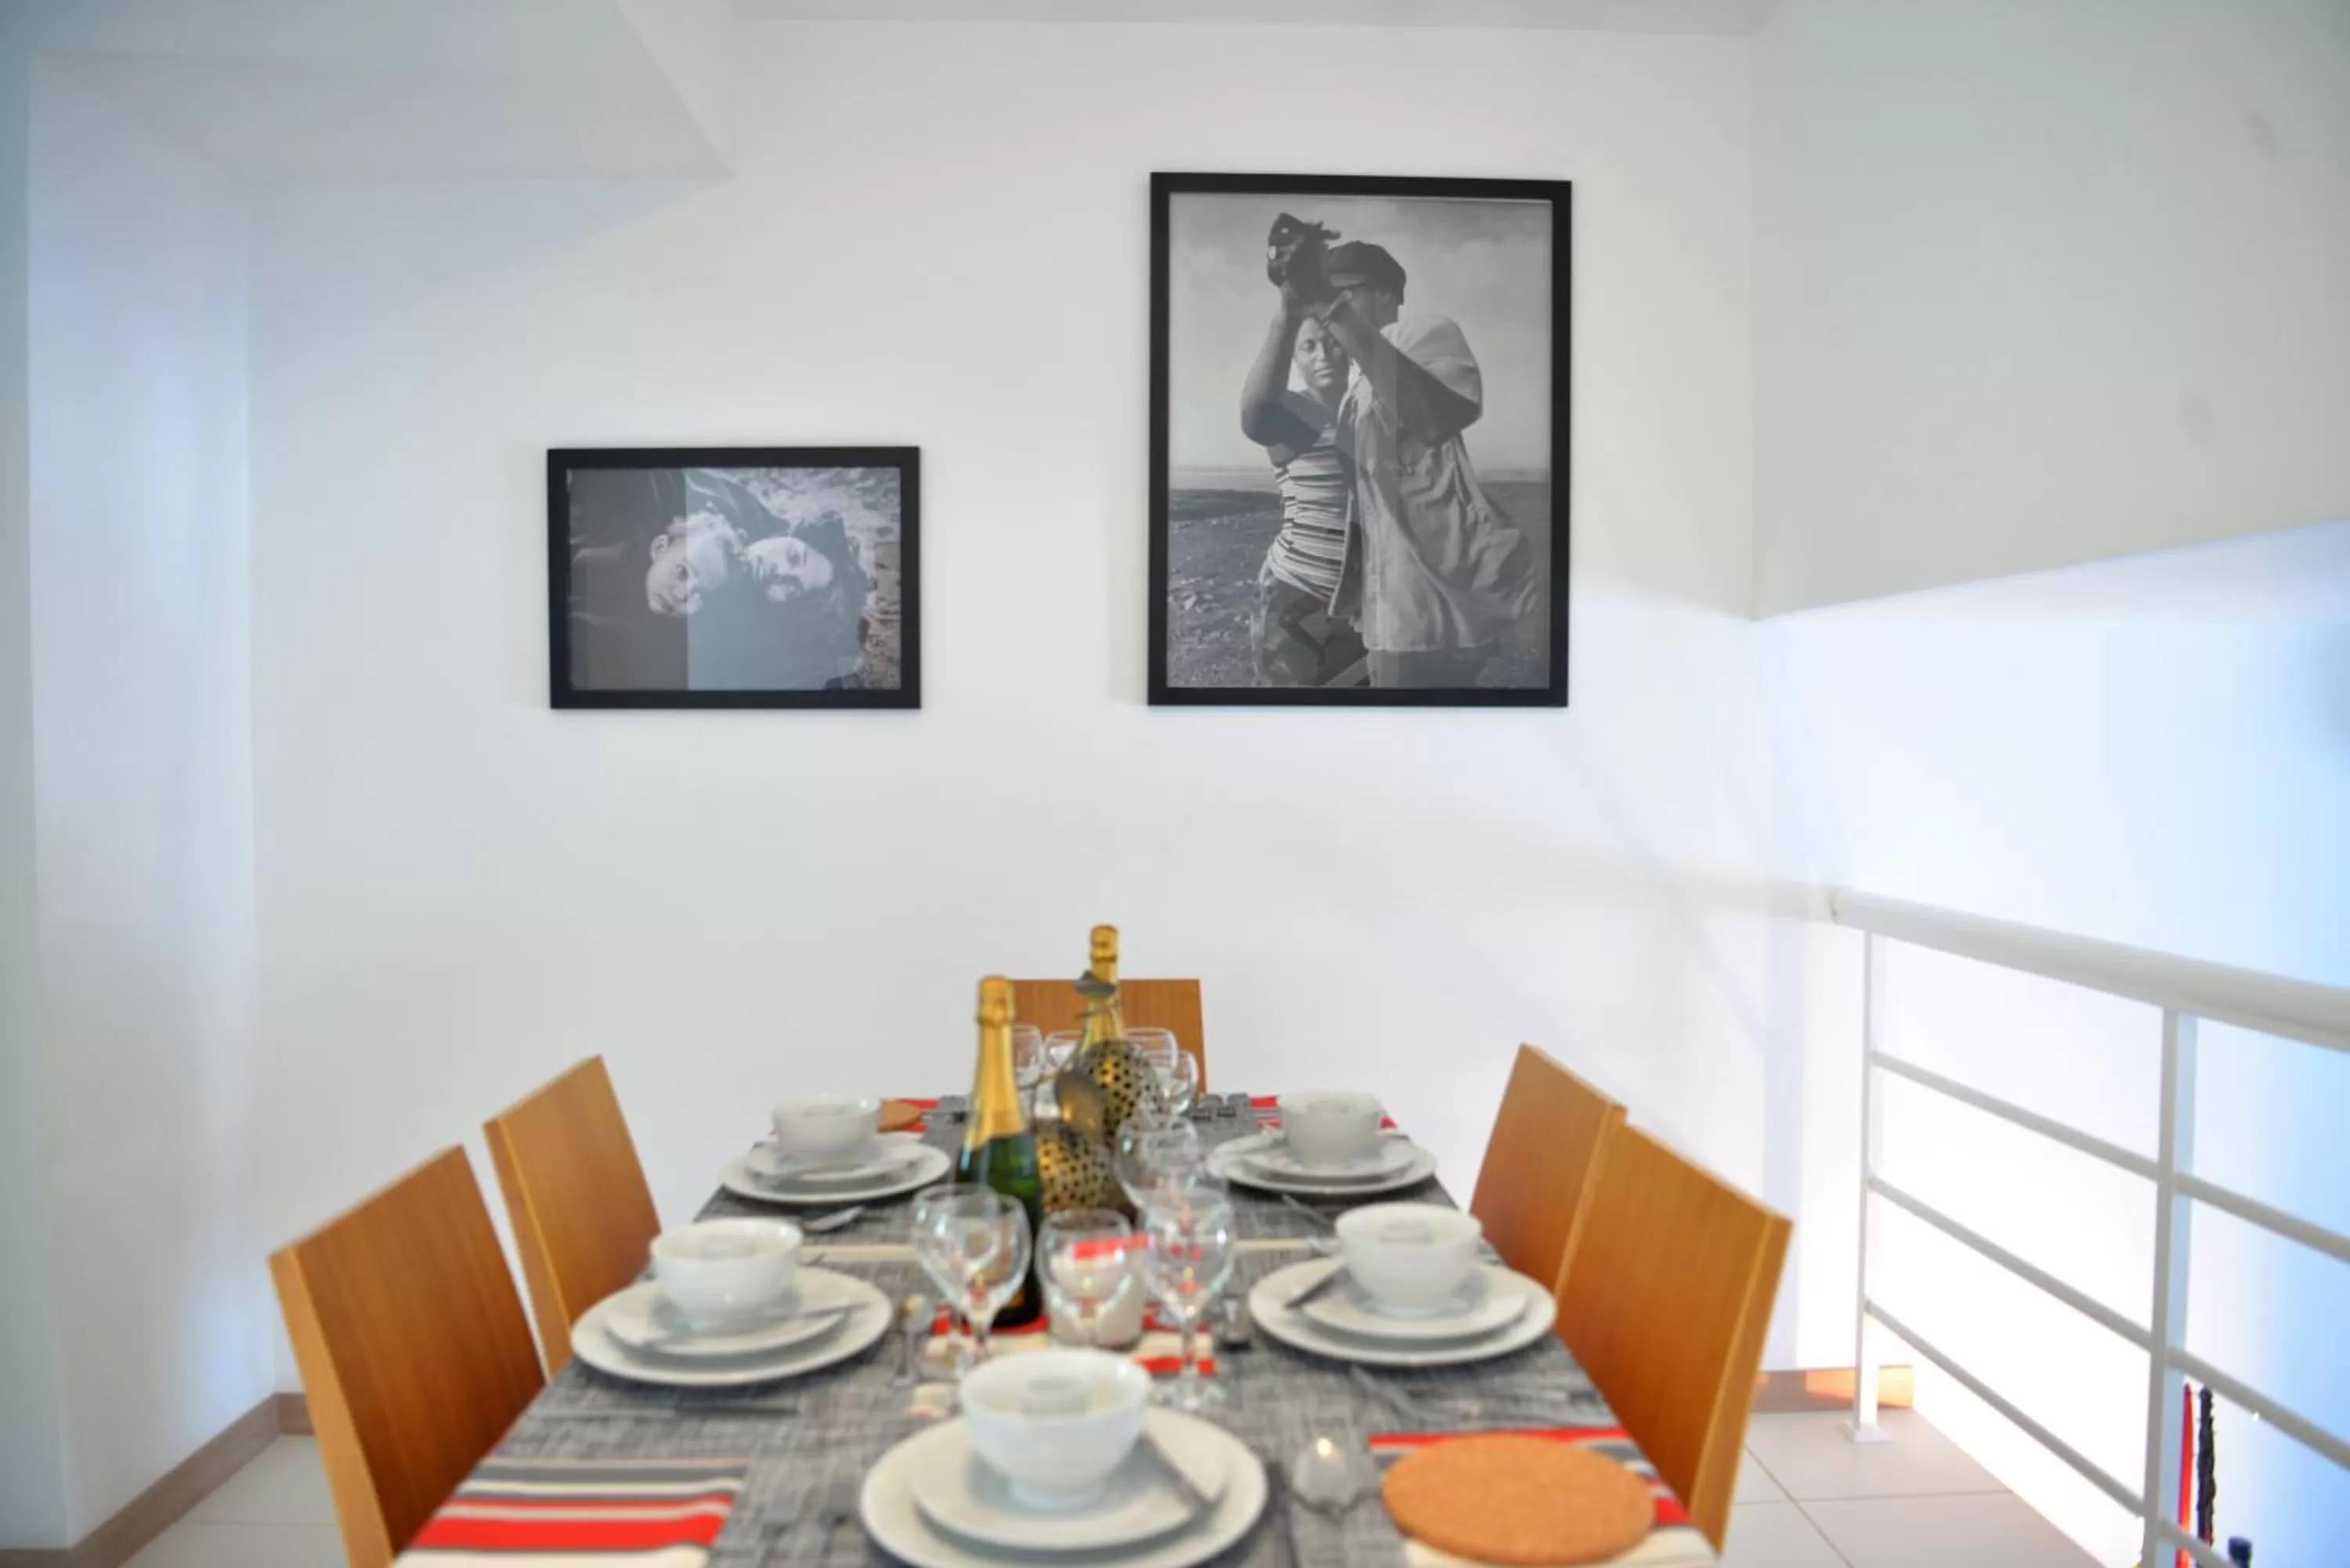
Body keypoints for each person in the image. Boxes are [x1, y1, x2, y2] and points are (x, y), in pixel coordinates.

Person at [1267, 220, 1537, 689]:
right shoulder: (1357, 381)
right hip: (1399, 613)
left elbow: (1433, 419)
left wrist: (1328, 305)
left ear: (1388, 295)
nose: (1331, 309)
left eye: (1346, 293)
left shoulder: (1420, 333)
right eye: (1326, 294)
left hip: (1438, 610)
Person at [1237, 282, 1367, 687]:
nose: (1323, 355)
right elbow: (1256, 413)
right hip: (1294, 593)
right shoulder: (1295, 413)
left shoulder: (1366, 411)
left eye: (1333, 343)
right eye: (1309, 347)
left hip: (1358, 604)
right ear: (1294, 357)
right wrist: (1286, 316)